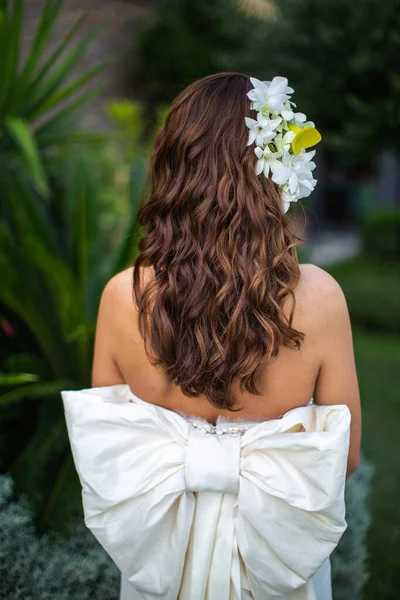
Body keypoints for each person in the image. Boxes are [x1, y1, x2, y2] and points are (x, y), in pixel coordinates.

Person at [62, 72, 361, 600]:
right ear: (273, 170)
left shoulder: (120, 296)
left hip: (162, 557)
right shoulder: (318, 298)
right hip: (275, 557)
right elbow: (347, 456)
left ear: (174, 167)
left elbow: (107, 447)